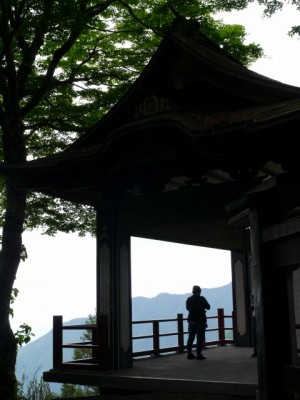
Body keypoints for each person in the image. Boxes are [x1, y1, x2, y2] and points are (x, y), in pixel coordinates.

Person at [186, 285, 210, 360]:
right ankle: (199, 354)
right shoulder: (202, 299)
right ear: (199, 291)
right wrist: (201, 308)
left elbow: (188, 308)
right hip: (200, 321)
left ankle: (189, 353)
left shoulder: (189, 299)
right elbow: (208, 307)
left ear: (193, 291)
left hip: (191, 321)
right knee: (199, 339)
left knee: (190, 338)